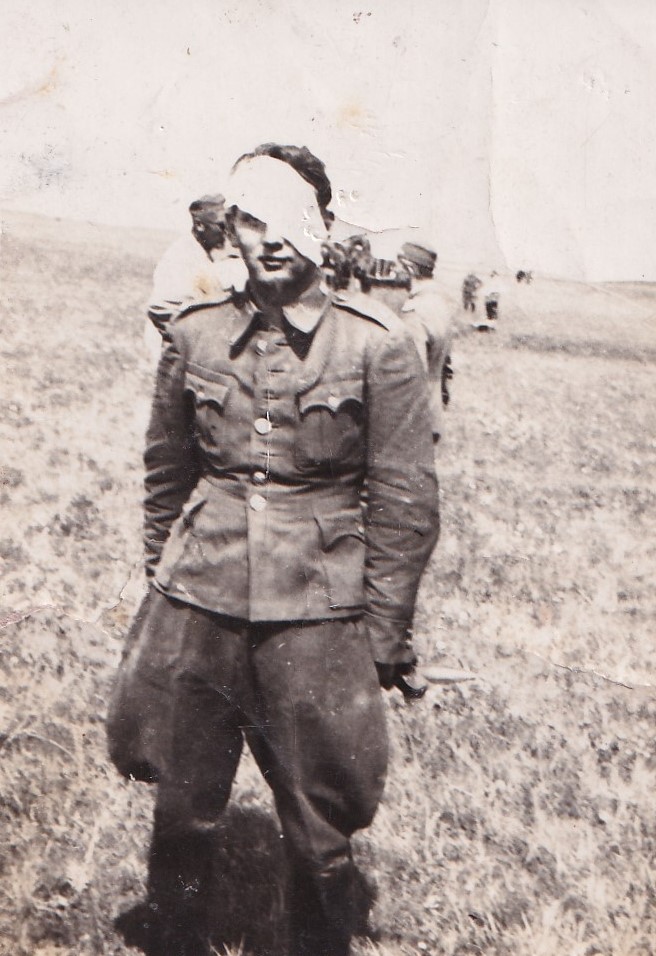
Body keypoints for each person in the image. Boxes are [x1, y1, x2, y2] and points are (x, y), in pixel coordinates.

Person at [115, 143, 440, 956]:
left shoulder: (376, 344)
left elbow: (404, 500)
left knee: (319, 813)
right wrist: (165, 579)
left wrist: (383, 633)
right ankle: (173, 938)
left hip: (316, 609)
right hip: (201, 598)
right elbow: (167, 471)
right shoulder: (195, 333)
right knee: (182, 802)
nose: (269, 240)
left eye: (289, 220)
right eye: (251, 220)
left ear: (323, 226)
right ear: (232, 228)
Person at [144, 194, 247, 359]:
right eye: (221, 226)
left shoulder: (214, 250)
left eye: (229, 225)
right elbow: (160, 308)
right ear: (200, 225)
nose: (227, 232)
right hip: (182, 353)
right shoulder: (180, 257)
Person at [397, 242, 457, 443]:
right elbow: (446, 364)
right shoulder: (440, 304)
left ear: (410, 269)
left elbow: (413, 372)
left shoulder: (414, 311)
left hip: (414, 418)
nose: (395, 272)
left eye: (398, 267)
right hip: (434, 412)